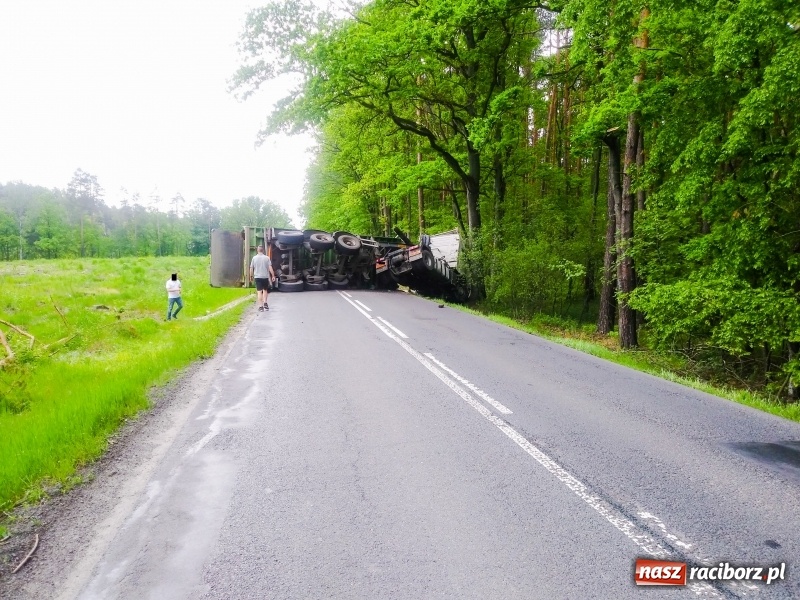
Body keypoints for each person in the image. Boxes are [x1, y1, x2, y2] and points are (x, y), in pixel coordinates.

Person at [250, 245, 275, 311]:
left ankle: (261, 307)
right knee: (265, 290)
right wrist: (273, 275)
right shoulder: (267, 258)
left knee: (259, 292)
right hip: (265, 277)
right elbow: (270, 267)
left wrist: (251, 276)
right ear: (263, 250)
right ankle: (265, 303)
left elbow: (251, 268)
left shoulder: (254, 258)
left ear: (257, 250)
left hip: (257, 277)